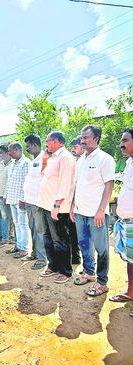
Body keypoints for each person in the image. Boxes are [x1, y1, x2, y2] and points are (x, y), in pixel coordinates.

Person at [71, 125, 115, 296]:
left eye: (86, 138)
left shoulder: (105, 159)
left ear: (96, 139)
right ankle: (89, 272)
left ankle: (102, 282)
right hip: (81, 211)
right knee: (84, 245)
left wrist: (101, 210)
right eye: (81, 137)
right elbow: (78, 186)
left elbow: (109, 185)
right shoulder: (81, 160)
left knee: (101, 248)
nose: (82, 141)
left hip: (96, 213)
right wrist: (74, 206)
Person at [37, 131, 75, 283]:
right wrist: (45, 161)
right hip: (46, 205)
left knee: (60, 239)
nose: (45, 144)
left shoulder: (65, 157)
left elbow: (65, 184)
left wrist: (57, 205)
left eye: (47, 141)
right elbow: (44, 177)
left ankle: (65, 271)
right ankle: (52, 266)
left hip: (57, 207)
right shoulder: (52, 158)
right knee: (48, 238)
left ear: (56, 141)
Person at [109, 127, 133, 316]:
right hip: (126, 220)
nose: (121, 144)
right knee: (130, 259)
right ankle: (131, 291)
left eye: (125, 140)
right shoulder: (129, 162)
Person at [20, 134, 47, 270]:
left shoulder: (44, 159)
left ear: (35, 145)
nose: (27, 149)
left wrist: (42, 201)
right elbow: (30, 181)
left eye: (28, 146)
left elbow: (45, 182)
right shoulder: (33, 161)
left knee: (40, 230)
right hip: (29, 201)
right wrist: (24, 199)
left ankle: (42, 259)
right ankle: (35, 253)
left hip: (38, 202)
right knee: (33, 229)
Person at [4, 142, 30, 258]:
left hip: (20, 200)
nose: (9, 153)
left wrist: (23, 199)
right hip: (11, 198)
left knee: (22, 224)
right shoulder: (12, 163)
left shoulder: (26, 163)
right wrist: (5, 196)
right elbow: (9, 181)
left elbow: (27, 183)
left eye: (10, 151)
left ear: (17, 150)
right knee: (16, 224)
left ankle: (24, 248)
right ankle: (18, 246)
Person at [69, 135, 84, 266]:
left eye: (75, 147)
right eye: (72, 147)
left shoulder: (84, 162)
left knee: (84, 236)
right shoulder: (73, 161)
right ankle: (75, 257)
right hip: (71, 202)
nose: (73, 149)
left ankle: (88, 264)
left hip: (83, 204)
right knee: (73, 233)